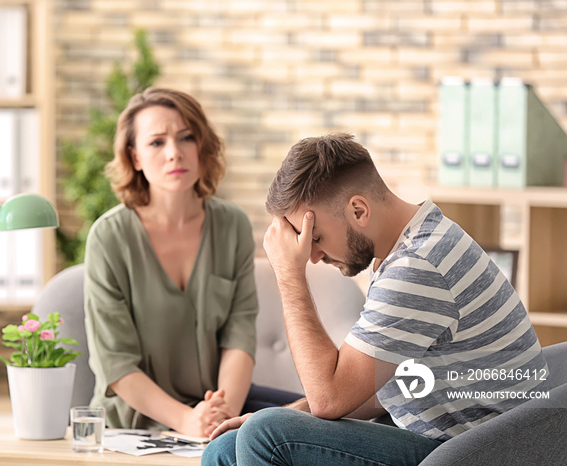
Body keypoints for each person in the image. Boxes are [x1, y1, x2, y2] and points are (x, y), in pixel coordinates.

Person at [202, 133, 550, 465]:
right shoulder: (411, 244)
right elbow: (372, 385)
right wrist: (292, 413)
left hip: (477, 454)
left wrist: (288, 274)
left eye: (316, 236)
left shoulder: (417, 266)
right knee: (226, 448)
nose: (312, 257)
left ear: (358, 211)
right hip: (450, 439)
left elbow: (329, 398)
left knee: (266, 436)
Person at [84, 88, 299, 438]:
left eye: (186, 137)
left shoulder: (232, 225)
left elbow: (239, 337)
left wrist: (222, 413)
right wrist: (186, 420)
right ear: (134, 156)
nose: (174, 153)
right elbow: (115, 362)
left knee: (319, 420)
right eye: (156, 143)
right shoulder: (109, 237)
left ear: (202, 146)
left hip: (217, 405)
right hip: (137, 418)